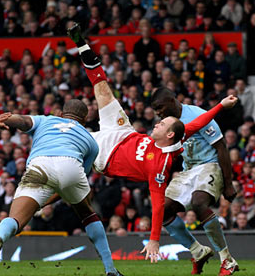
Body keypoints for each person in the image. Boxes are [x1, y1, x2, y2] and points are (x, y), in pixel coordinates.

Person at [67, 22, 238, 263]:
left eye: (161, 122)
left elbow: (157, 206)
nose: (156, 122)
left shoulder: (159, 167)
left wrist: (154, 239)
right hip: (122, 132)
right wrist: (221, 104)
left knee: (64, 143)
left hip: (103, 153)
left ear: (169, 134)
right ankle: (81, 44)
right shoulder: (176, 134)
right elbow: (198, 123)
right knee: (102, 89)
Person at [0, 99, 127, 276]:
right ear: (85, 119)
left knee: (15, 219)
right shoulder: (91, 141)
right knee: (87, 213)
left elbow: (23, 121)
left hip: (40, 164)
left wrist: (4, 120)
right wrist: (47, 201)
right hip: (71, 165)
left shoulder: (46, 120)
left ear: (61, 114)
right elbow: (68, 183)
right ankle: (110, 269)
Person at [150, 86, 239, 275]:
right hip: (188, 170)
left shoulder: (197, 114)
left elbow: (221, 146)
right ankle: (198, 252)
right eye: (155, 109)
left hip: (210, 165)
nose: (158, 113)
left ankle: (227, 259)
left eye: (159, 107)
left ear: (172, 101)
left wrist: (228, 183)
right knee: (162, 209)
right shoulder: (167, 124)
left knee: (199, 202)